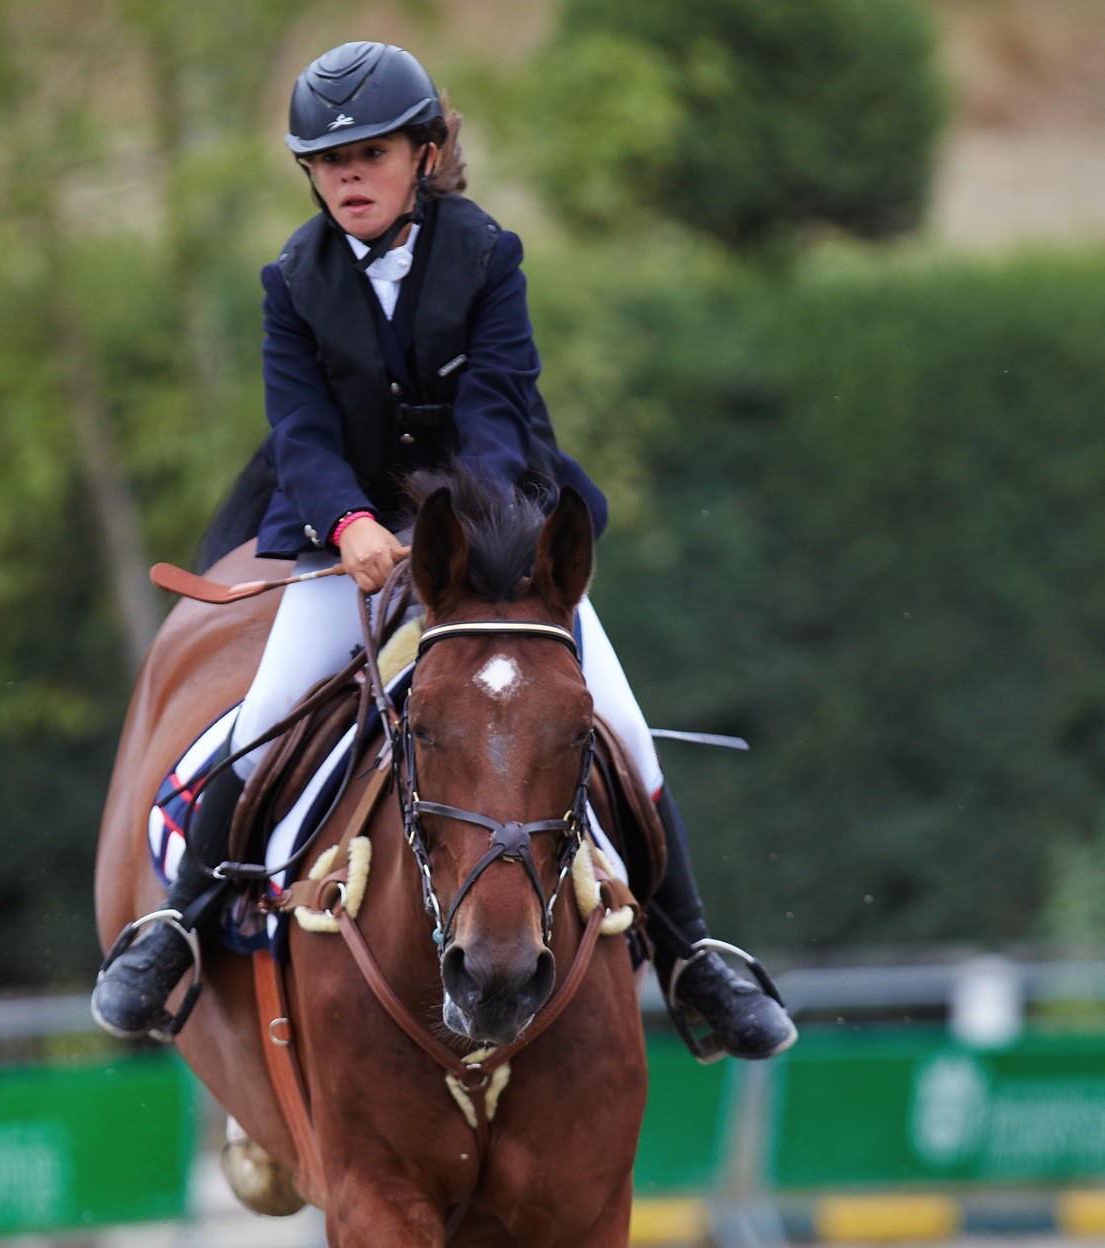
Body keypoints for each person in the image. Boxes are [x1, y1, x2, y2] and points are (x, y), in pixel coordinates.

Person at [93, 41, 795, 1061]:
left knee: (627, 733)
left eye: (368, 154)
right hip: (350, 538)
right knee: (265, 718)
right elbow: (300, 434)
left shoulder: (487, 255)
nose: (345, 177)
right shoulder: (291, 280)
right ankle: (180, 923)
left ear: (424, 154)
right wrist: (350, 526)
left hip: (500, 535)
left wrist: (448, 534)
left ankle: (692, 953)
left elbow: (500, 412)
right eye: (324, 161)